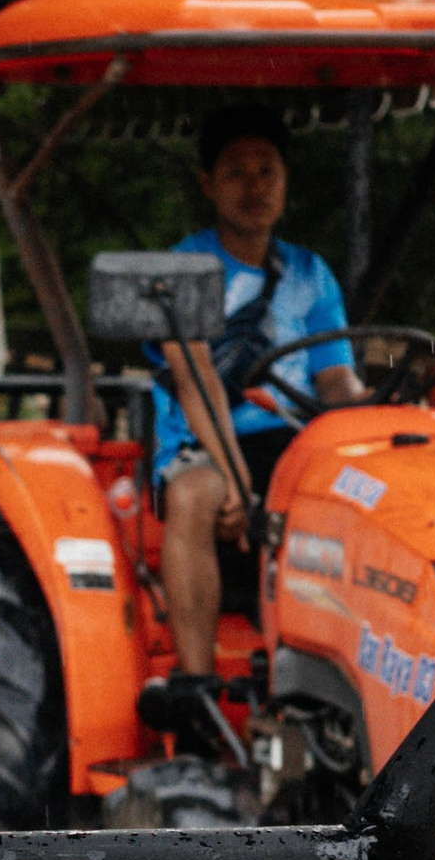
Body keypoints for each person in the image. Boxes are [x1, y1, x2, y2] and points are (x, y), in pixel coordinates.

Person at [150, 99, 368, 694]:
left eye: (267, 171)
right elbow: (194, 380)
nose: (255, 187)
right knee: (196, 497)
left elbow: (336, 383)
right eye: (236, 172)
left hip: (297, 443)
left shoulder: (310, 273)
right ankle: (195, 685)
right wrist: (239, 484)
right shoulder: (186, 268)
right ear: (208, 185)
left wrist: (387, 405)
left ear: (285, 181)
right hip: (208, 440)